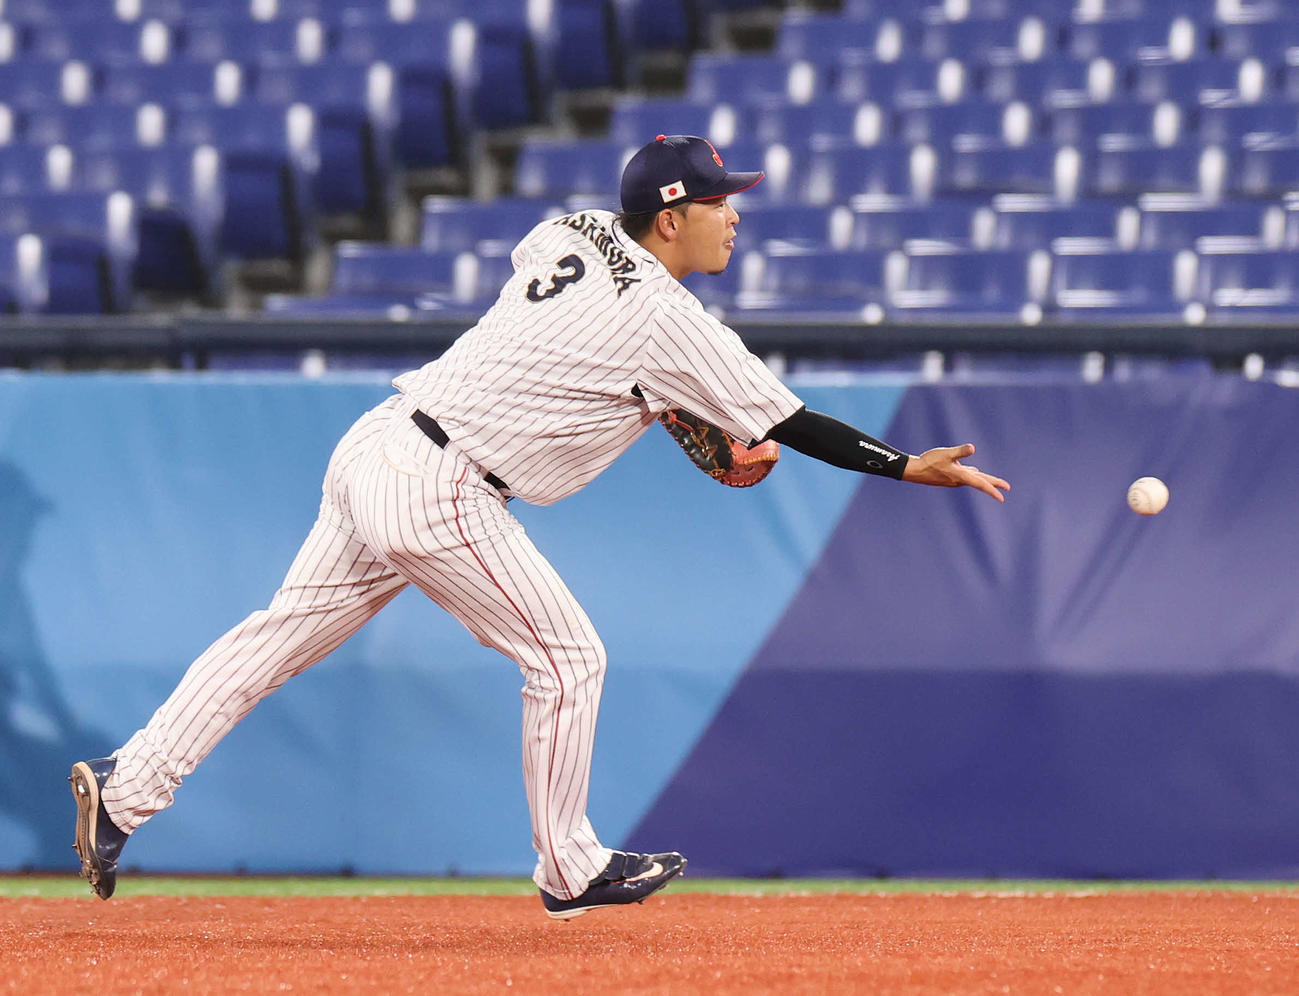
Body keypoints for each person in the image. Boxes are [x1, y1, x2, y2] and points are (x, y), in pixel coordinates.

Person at [71, 135, 1010, 918]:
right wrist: (902, 464)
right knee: (568, 660)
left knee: (273, 638)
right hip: (446, 485)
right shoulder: (669, 319)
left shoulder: (573, 227)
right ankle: (568, 868)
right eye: (722, 201)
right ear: (671, 219)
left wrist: (671, 409)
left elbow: (585, 353)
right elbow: (788, 424)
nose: (737, 215)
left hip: (377, 446)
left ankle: (126, 790)